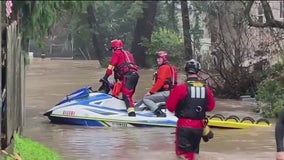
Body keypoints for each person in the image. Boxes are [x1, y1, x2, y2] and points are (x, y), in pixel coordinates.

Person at [166, 59, 215, 160]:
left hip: (184, 126)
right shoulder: (206, 89)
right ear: (198, 72)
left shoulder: (181, 88)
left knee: (183, 156)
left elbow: (170, 107)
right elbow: (211, 107)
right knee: (193, 155)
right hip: (199, 127)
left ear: (186, 71)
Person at [100, 39, 139, 117]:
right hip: (134, 76)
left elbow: (111, 66)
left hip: (128, 76)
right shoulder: (128, 53)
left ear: (114, 48)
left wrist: (105, 77)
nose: (112, 51)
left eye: (112, 49)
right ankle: (125, 107)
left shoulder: (117, 53)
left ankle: (131, 114)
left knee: (126, 96)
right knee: (121, 90)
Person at [142, 51, 177, 117]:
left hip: (166, 93)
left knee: (146, 98)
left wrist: (151, 92)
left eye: (159, 58)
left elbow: (160, 82)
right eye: (157, 58)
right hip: (171, 92)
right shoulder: (170, 67)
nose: (157, 60)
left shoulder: (163, 68)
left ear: (164, 58)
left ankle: (159, 113)